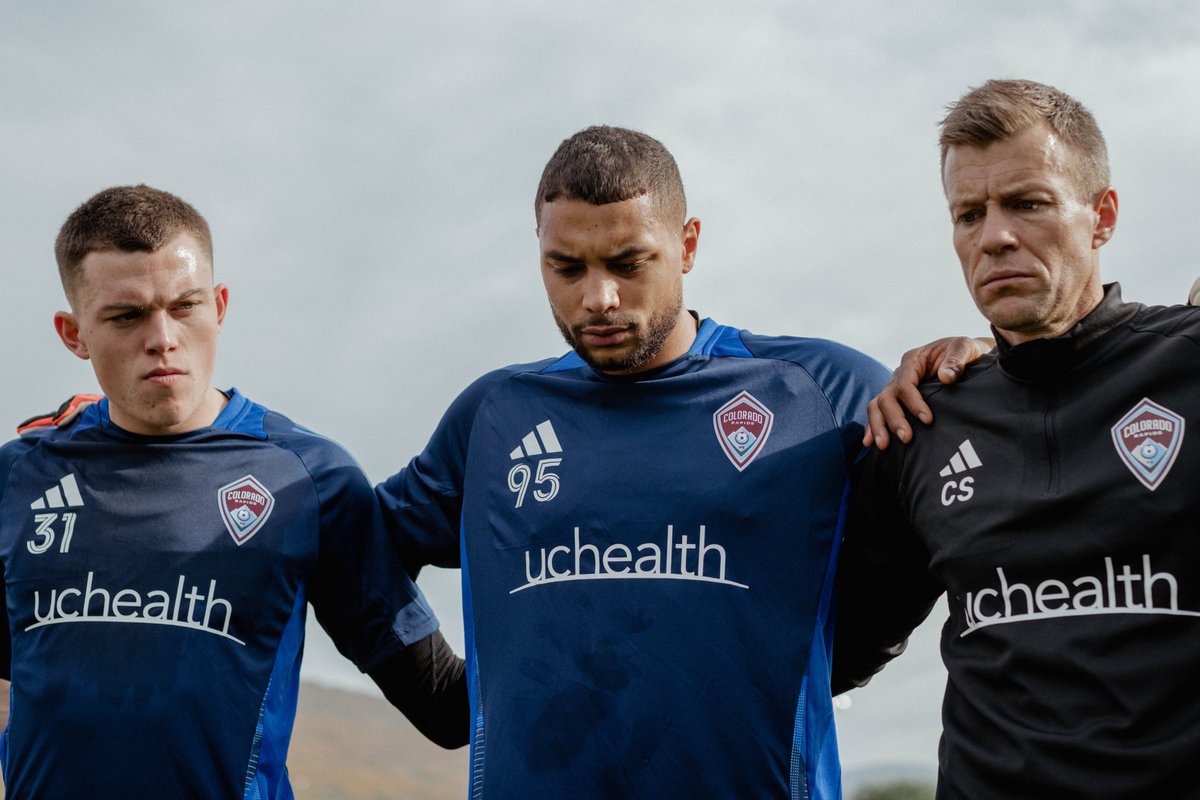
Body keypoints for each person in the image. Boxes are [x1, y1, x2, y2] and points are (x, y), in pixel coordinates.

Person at [376, 125, 927, 799]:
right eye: (567, 267)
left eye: (628, 263)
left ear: (687, 245)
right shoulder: (496, 415)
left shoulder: (819, 389)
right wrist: (441, 697)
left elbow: (932, 524)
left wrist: (830, 660)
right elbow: (359, 548)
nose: (598, 298)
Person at [0, 185, 467, 799]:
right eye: (126, 315)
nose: (163, 337)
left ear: (219, 306)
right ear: (73, 333)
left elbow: (443, 707)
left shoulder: (309, 479)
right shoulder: (19, 478)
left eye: (185, 306)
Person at [833, 79, 1200, 798]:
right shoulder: (921, 420)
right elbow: (833, 645)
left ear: (1102, 216)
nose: (994, 236)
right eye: (969, 214)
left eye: (1027, 204)